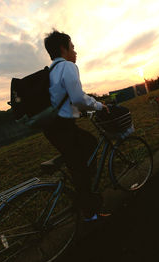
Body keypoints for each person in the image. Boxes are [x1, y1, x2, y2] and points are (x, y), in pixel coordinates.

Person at [43, 30, 109, 221]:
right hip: (64, 128)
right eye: (72, 47)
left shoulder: (51, 72)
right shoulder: (68, 67)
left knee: (83, 152)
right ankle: (89, 211)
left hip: (53, 128)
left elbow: (63, 101)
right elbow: (78, 99)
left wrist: (83, 109)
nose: (75, 51)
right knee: (85, 158)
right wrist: (99, 105)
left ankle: (82, 195)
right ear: (63, 49)